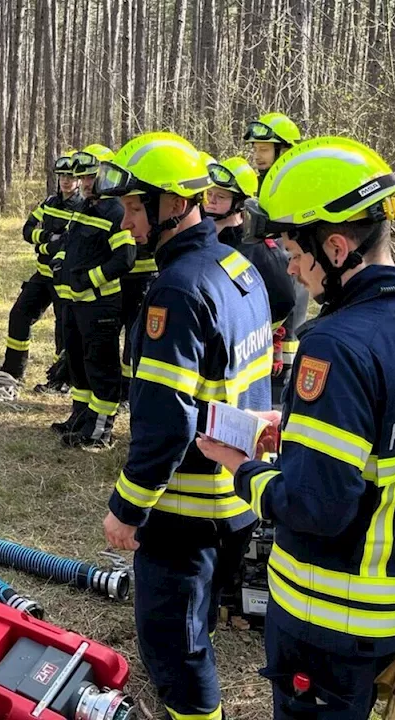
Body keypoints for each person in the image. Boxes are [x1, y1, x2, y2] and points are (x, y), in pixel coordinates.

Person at [198, 136, 395, 720]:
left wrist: (240, 466)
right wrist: (297, 427)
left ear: (337, 246)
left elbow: (315, 506)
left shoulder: (335, 344)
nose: (294, 272)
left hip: (329, 614)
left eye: (298, 256)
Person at [96, 132, 272, 720]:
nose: (125, 222)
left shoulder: (177, 287)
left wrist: (128, 506)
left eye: (134, 206)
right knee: (199, 627)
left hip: (185, 511)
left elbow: (167, 420)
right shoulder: (236, 267)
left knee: (176, 648)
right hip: (236, 495)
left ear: (173, 204)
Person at [51, 144, 134, 449]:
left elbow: (125, 259)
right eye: (82, 178)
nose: (86, 183)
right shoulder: (85, 207)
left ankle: (99, 432)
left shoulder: (116, 211)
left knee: (101, 369)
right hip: (75, 303)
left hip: (100, 305)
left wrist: (89, 279)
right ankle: (80, 418)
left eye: (91, 178)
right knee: (78, 365)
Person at [205, 156, 296, 407]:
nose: (211, 201)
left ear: (239, 203)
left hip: (242, 355)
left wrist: (260, 332)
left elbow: (285, 299)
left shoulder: (259, 250)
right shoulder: (207, 240)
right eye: (208, 194)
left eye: (220, 197)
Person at [0, 149, 83, 382]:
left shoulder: (82, 208)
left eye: (71, 176)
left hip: (63, 279)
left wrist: (44, 243)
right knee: (19, 315)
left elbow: (67, 243)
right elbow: (27, 231)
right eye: (62, 176)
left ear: (79, 179)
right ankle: (13, 370)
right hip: (42, 276)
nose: (66, 180)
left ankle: (62, 378)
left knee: (64, 329)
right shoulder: (49, 203)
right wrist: (47, 239)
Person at [245, 112, 307, 383]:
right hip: (265, 270)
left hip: (291, 269)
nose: (258, 156)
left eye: (264, 149)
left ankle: (286, 385)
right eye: (256, 149)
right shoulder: (259, 183)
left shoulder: (296, 185)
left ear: (284, 150)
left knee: (290, 325)